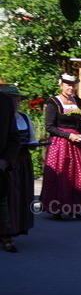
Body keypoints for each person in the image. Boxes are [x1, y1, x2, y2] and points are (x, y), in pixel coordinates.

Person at [40, 73, 81, 219]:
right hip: (60, 143)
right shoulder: (53, 102)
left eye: (73, 85)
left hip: (76, 143)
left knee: (78, 175)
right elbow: (50, 127)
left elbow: (78, 124)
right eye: (67, 85)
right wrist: (68, 135)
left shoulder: (77, 101)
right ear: (61, 85)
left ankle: (76, 208)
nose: (71, 88)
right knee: (61, 175)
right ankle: (56, 208)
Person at [0, 85, 26, 252]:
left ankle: (5, 235)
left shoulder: (3, 102)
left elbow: (13, 137)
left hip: (0, 164)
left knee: (2, 203)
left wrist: (5, 159)